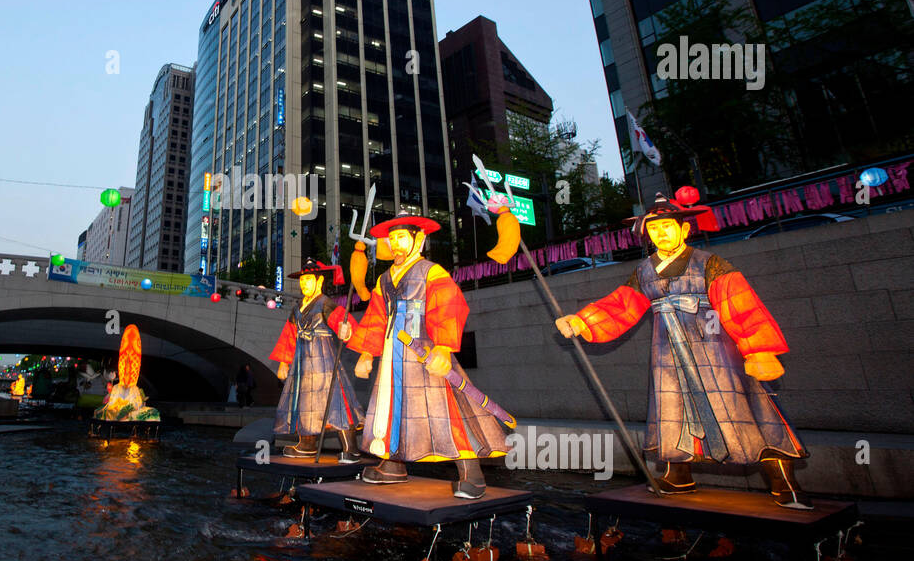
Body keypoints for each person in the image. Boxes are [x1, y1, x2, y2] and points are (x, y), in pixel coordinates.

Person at [555, 192, 811, 509]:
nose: (660, 233)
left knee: (746, 407)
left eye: (666, 226)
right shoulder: (644, 272)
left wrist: (759, 349)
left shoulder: (710, 263)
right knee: (672, 410)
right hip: (667, 351)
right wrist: (581, 321)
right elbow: (621, 306)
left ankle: (783, 480)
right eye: (653, 228)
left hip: (714, 346)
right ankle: (678, 475)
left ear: (684, 229)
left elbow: (740, 306)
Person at [339, 211, 512, 499]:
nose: (395, 244)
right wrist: (367, 354)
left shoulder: (431, 271)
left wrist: (443, 347)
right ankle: (392, 465)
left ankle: (472, 473)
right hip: (393, 352)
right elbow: (376, 317)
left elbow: (449, 304)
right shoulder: (384, 279)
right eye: (392, 238)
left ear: (419, 240)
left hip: (425, 349)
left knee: (447, 409)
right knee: (393, 409)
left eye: (401, 237)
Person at [271, 259, 363, 461]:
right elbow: (289, 336)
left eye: (308, 279)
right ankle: (306, 444)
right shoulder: (297, 308)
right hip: (301, 360)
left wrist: (344, 330)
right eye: (302, 280)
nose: (304, 283)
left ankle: (351, 448)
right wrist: (284, 362)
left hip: (324, 358)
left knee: (335, 400)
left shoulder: (325, 303)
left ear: (319, 281)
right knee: (302, 401)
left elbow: (341, 321)